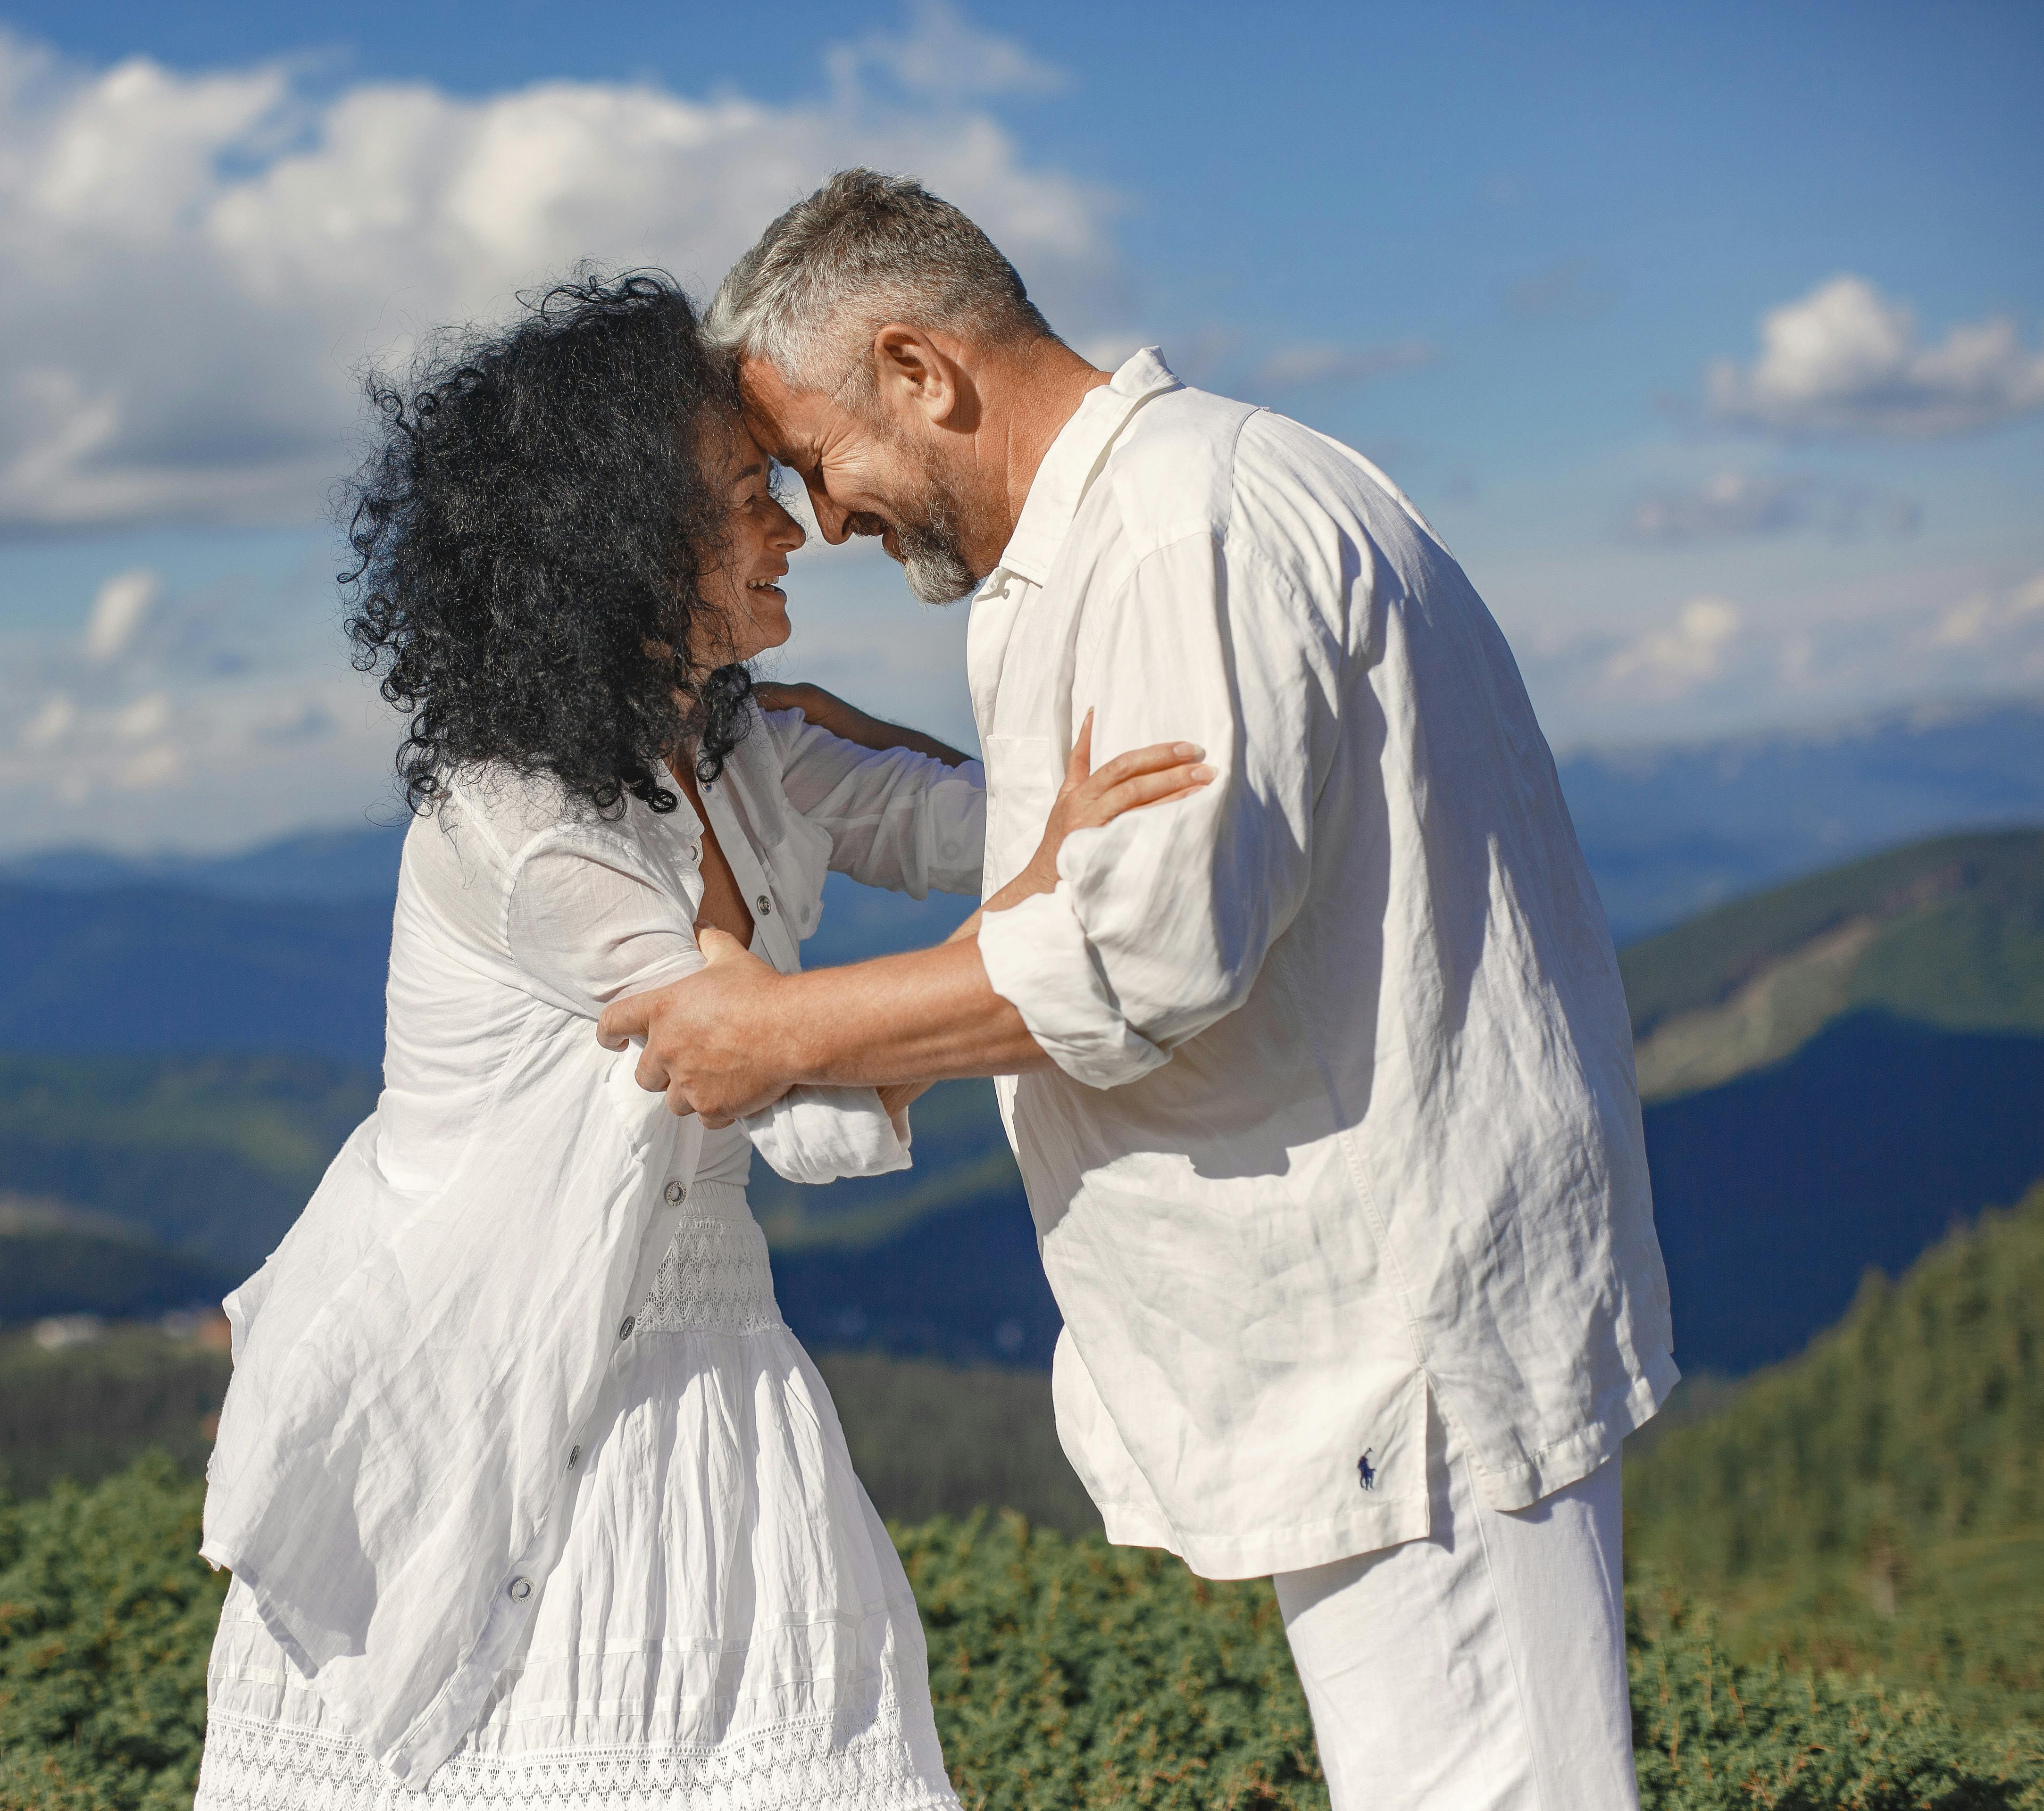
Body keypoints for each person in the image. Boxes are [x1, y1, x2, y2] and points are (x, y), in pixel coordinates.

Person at [602, 173, 1678, 1811]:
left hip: (1399, 1330)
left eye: (816, 461)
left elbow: (1149, 950)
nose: (826, 521)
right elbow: (1116, 884)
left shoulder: (1185, 536)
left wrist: (780, 1031)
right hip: (1373, 1320)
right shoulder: (1151, 524)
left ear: (919, 370)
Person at [191, 272, 1205, 1808]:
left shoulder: (734, 747)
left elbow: (979, 828)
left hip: (704, 1353)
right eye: (747, 500)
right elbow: (774, 1084)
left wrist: (1072, 801)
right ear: (626, 546)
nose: (795, 529)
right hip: (485, 1366)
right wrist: (1050, 917)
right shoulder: (519, 823)